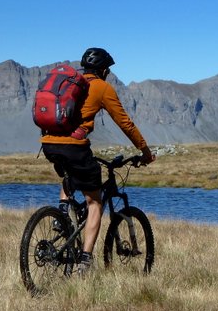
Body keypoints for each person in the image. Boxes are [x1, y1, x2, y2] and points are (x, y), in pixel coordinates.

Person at [40, 47, 155, 274]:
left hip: (48, 143)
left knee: (69, 176)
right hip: (74, 147)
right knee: (95, 202)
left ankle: (61, 215)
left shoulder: (69, 83)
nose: (108, 74)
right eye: (108, 70)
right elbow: (125, 124)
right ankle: (85, 261)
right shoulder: (101, 87)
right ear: (103, 69)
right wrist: (145, 152)